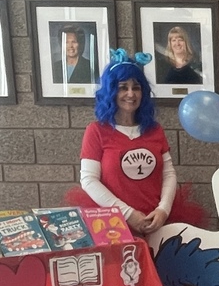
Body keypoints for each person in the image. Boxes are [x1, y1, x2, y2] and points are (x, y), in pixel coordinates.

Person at [65, 49, 207, 235]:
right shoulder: (97, 131)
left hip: (156, 223)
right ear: (111, 91)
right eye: (123, 87)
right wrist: (128, 214)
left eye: (136, 87)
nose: (131, 94)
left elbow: (169, 174)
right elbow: (88, 180)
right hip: (114, 226)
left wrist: (163, 211)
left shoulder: (154, 130)